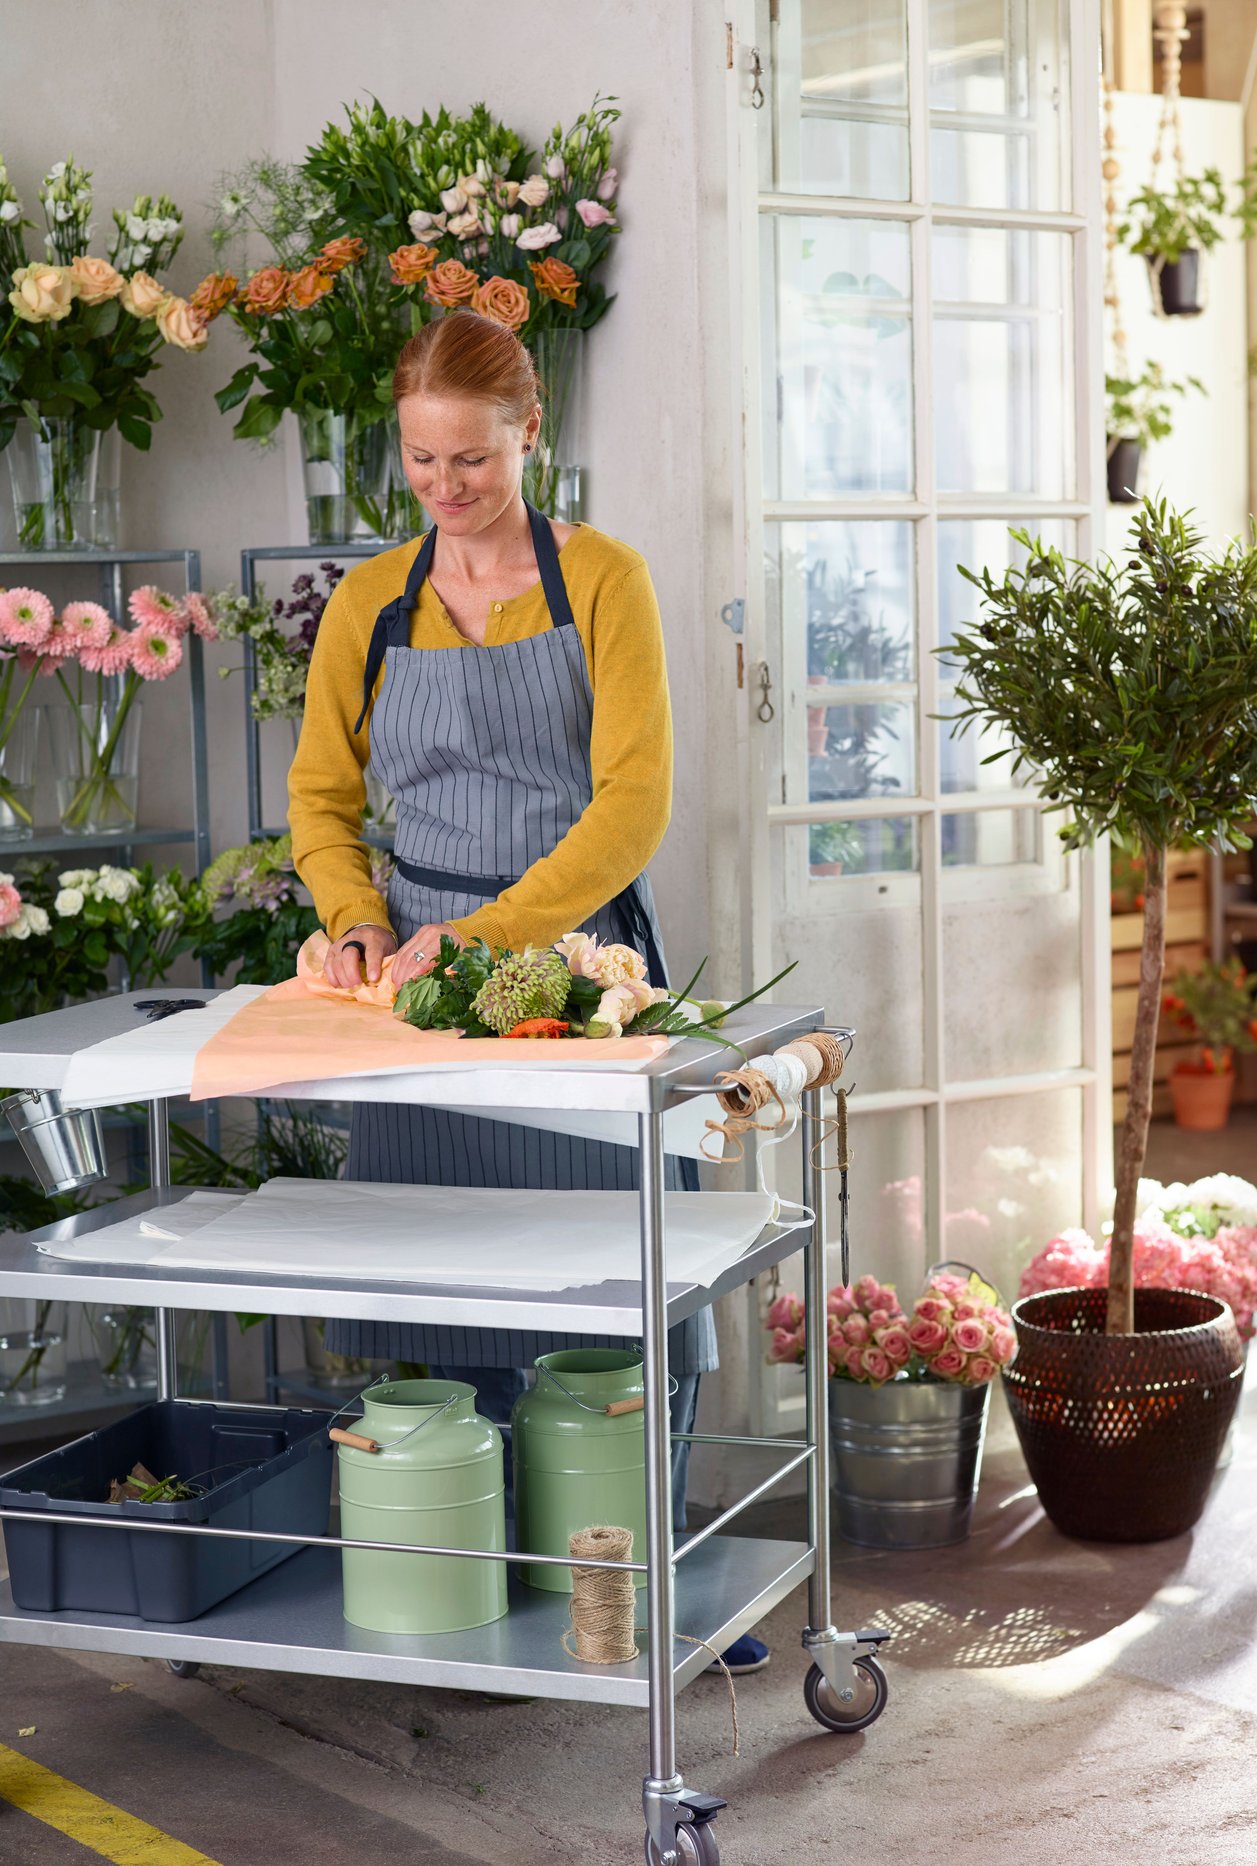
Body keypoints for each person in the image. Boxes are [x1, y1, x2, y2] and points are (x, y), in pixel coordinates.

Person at [287, 310, 767, 1671]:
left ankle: (646, 1577)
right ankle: (467, 1582)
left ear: (529, 433)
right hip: (417, 995)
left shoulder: (604, 578)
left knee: (624, 1281)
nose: (446, 487)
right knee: (436, 1273)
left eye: (473, 462)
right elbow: (320, 799)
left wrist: (492, 938)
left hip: (577, 974)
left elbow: (633, 807)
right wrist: (358, 921)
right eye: (424, 461)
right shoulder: (367, 605)